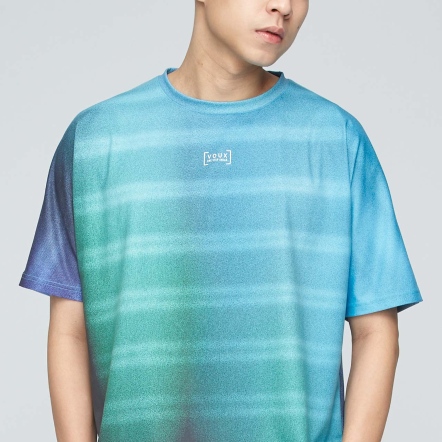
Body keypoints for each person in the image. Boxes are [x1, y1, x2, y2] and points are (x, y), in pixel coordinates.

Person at [19, 0, 423, 441]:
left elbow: (375, 332)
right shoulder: (96, 139)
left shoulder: (337, 139)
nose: (283, 7)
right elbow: (70, 330)